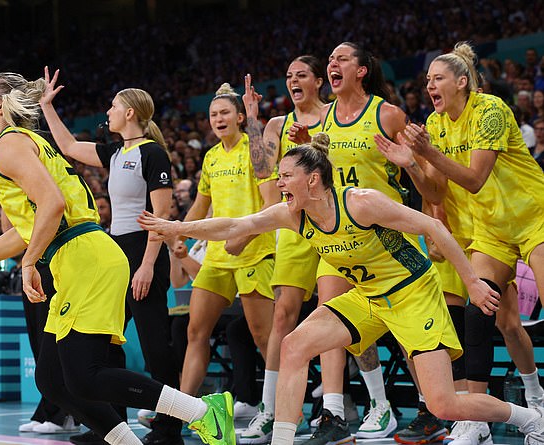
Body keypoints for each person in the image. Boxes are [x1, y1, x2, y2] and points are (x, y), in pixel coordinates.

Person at [138, 133, 544, 445]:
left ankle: (529, 419)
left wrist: (472, 282)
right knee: (295, 345)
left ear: (313, 180)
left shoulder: (361, 202)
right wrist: (179, 227)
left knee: (444, 403)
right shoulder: (293, 213)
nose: (279, 183)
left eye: (286, 176)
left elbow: (432, 226)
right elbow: (236, 225)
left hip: (412, 294)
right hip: (366, 298)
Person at [0, 72, 235, 445]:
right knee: (53, 381)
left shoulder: (8, 146)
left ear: (2, 104)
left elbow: (52, 206)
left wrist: (28, 264)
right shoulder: (22, 143)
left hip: (86, 257)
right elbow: (27, 228)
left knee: (84, 375)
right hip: (81, 255)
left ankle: (203, 411)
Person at [375, 41, 544, 445]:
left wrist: (427, 150)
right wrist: (412, 163)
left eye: (438, 79)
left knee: (513, 320)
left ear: (462, 82)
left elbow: (474, 179)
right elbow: (436, 193)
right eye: (427, 80)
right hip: (491, 231)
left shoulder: (490, 110)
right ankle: (477, 419)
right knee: (478, 311)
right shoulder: (435, 126)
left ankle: (535, 394)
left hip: (534, 217)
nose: (429, 85)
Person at [39, 69, 183, 445]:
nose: (108, 111)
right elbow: (69, 146)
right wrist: (46, 106)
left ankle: (170, 428)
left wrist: (148, 264)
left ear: (131, 113)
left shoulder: (153, 154)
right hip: (114, 251)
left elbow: (160, 217)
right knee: (106, 343)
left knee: (155, 344)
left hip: (143, 251)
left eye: (114, 106)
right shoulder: (116, 151)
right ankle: (111, 426)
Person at [288, 42, 411, 443]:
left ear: (361, 70)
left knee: (407, 331)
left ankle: (432, 403)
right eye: (330, 60)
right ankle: (346, 411)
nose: (333, 64)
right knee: (334, 319)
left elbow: (424, 179)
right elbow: (317, 172)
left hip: (390, 241)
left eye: (341, 59)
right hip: (340, 237)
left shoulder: (387, 114)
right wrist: (308, 142)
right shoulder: (323, 121)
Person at [176, 83, 278, 412]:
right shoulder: (211, 157)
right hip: (218, 256)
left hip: (255, 249)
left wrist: (244, 235)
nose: (218, 119)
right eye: (213, 114)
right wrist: (180, 231)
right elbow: (201, 205)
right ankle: (181, 409)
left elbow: (271, 203)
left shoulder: (256, 149)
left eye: (224, 113)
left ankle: (275, 408)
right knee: (195, 330)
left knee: (263, 335)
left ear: (238, 116)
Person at [240, 55, 325, 443]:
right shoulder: (278, 124)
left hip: (334, 224)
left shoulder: (335, 116)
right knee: (282, 317)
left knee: (340, 313)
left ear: (318, 81)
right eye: (289, 75)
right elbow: (264, 172)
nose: (293, 80)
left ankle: (344, 405)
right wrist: (253, 119)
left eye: (301, 74)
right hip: (295, 228)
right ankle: (270, 410)